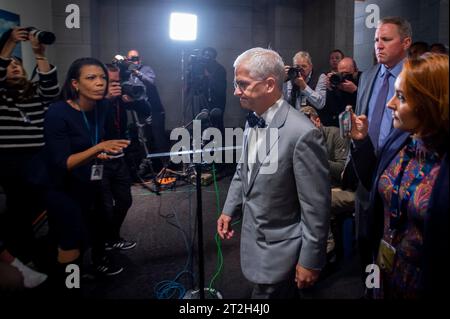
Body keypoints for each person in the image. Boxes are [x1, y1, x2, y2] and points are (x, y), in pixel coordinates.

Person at [217, 48, 330, 298]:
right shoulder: (252, 119)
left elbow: (316, 208)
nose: (236, 91)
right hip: (254, 240)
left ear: (269, 85)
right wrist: (229, 209)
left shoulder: (303, 133)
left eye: (242, 84)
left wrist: (311, 260)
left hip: (282, 251)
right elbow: (242, 170)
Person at [348, 53, 448, 298]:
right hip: (384, 270)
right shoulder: (402, 138)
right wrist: (361, 143)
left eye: (401, 97)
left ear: (430, 104)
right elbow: (374, 179)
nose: (390, 103)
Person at [43, 58, 130, 291]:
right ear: (75, 84)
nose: (100, 83)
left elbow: (89, 140)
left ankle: (76, 276)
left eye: (102, 77)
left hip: (87, 182)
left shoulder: (101, 106)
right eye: (91, 78)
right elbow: (62, 162)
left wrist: (97, 152)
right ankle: (67, 286)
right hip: (62, 188)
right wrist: (98, 148)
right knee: (69, 241)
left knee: (84, 238)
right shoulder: (57, 112)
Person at [349, 16, 412, 273]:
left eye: (386, 39)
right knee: (365, 240)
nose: (379, 45)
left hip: (401, 174)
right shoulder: (368, 75)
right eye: (376, 40)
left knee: (397, 250)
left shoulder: (417, 77)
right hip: (366, 171)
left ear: (406, 42)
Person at [0, 27, 59, 263]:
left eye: (18, 64)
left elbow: (51, 89)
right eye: (9, 64)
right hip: (9, 158)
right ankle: (24, 253)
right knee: (18, 209)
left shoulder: (33, 91)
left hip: (38, 155)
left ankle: (52, 248)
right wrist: (10, 43)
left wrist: (39, 54)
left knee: (50, 201)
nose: (14, 66)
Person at [300, 106, 355, 262]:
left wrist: (318, 158)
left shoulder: (335, 134)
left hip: (344, 188)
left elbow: (343, 171)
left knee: (319, 201)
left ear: (317, 120)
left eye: (308, 124)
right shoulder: (303, 141)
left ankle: (327, 251)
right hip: (321, 188)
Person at [101, 64, 136, 251]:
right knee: (103, 207)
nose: (115, 85)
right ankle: (102, 243)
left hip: (119, 157)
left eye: (117, 81)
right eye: (110, 82)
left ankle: (112, 236)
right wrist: (107, 100)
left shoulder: (119, 100)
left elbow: (145, 110)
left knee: (124, 200)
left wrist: (132, 98)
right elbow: (97, 124)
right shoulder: (95, 101)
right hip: (99, 160)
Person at [320, 57, 361, 127]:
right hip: (339, 125)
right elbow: (331, 109)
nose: (343, 76)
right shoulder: (337, 82)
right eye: (341, 74)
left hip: (357, 123)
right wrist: (330, 88)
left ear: (356, 71)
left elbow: (367, 104)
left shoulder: (363, 80)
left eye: (346, 73)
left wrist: (355, 91)